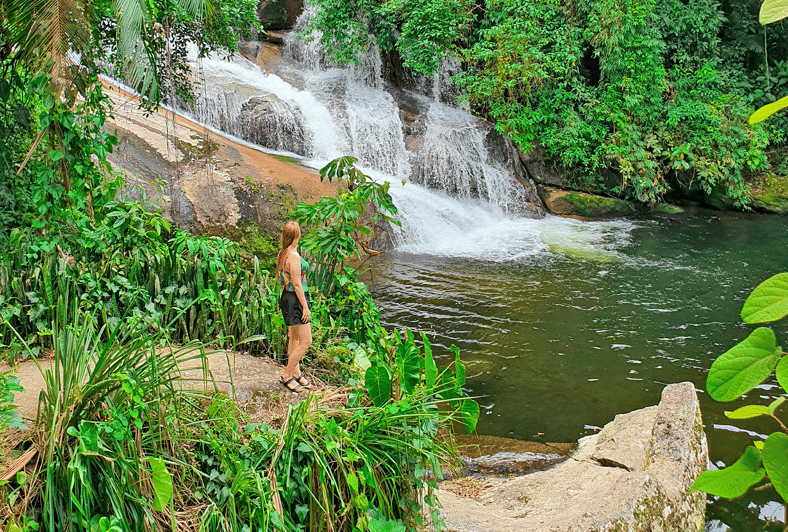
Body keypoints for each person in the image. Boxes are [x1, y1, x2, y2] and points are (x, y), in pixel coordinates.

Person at [276, 220, 313, 393]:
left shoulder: (284, 253)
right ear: (297, 235)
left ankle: (296, 373)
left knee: (294, 338)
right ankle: (286, 376)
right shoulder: (294, 257)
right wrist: (305, 308)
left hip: (287, 297)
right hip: (297, 299)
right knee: (306, 341)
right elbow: (297, 284)